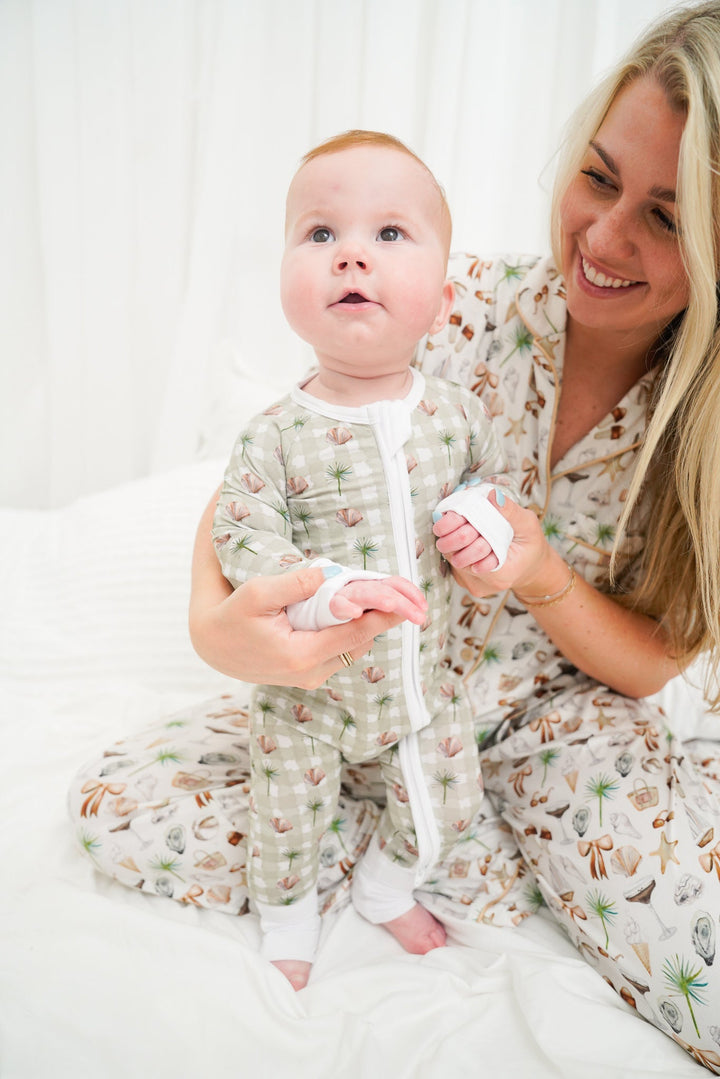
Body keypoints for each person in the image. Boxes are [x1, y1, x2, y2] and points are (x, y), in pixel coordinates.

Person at [68, 2, 720, 1070]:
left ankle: (437, 850)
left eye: (667, 216)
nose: (605, 240)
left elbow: (653, 665)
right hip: (361, 693)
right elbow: (273, 464)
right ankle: (407, 851)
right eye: (599, 178)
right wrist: (217, 630)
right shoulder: (438, 298)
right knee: (114, 805)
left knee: (694, 949)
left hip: (567, 722)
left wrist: (540, 570)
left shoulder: (701, 426)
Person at [210, 130, 519, 989]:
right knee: (286, 813)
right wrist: (323, 592)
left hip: (426, 683)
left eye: (389, 234)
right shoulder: (275, 433)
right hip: (308, 692)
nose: (351, 255)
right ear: (283, 280)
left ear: (444, 295)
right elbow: (242, 536)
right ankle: (288, 913)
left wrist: (477, 520)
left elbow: (494, 489)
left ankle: (385, 886)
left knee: (451, 800)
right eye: (319, 234)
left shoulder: (456, 414)